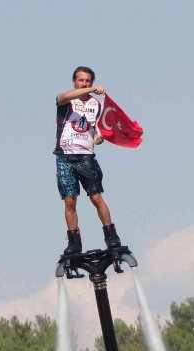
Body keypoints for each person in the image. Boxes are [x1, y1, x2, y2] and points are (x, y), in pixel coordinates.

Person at [53, 66, 122, 255]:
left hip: (86, 157)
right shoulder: (65, 99)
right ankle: (74, 242)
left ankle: (111, 235)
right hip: (65, 155)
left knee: (96, 197)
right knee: (69, 201)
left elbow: (96, 129)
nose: (84, 83)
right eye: (81, 80)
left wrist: (98, 137)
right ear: (74, 81)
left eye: (88, 81)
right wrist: (91, 90)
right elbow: (64, 97)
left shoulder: (96, 105)